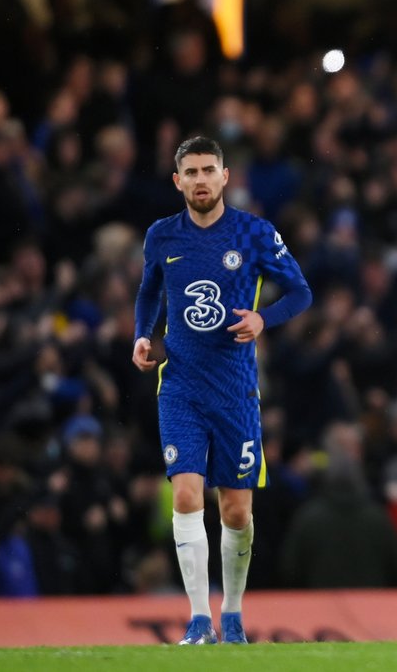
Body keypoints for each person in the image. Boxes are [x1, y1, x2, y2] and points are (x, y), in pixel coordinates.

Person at [132, 136, 312, 644]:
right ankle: (197, 619)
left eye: (209, 170)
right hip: (182, 387)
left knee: (236, 509)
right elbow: (148, 292)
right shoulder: (162, 238)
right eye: (191, 172)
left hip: (236, 390)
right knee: (187, 495)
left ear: (225, 176)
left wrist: (263, 317)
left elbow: (300, 292)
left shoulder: (254, 233)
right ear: (178, 181)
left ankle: (231, 613)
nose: (201, 180)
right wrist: (143, 334)